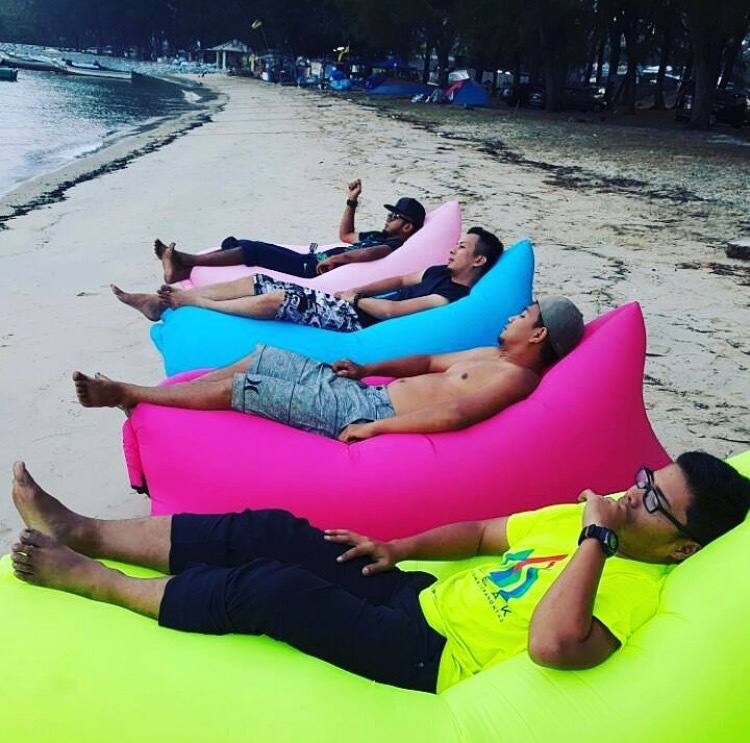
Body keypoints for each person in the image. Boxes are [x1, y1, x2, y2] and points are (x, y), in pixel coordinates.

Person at [9, 452, 750, 693]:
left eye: (655, 501)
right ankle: (88, 530)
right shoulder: (585, 519)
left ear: (682, 548)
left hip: (433, 657)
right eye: (645, 479)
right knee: (276, 530)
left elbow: (553, 644)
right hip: (417, 594)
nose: (632, 495)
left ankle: (98, 579)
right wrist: (396, 546)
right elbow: (485, 532)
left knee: (274, 587)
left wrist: (598, 535)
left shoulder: (642, 591)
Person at [73, 296, 584, 443]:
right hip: (364, 392)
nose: (513, 316)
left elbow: (457, 415)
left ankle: (129, 393)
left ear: (539, 335)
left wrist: (377, 428)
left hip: (365, 413)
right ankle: (160, 399)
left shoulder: (516, 377)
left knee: (246, 386)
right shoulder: (491, 357)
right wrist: (366, 367)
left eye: (524, 315)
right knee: (262, 356)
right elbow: (428, 362)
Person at [112, 228, 503, 332]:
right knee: (260, 279)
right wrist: (358, 288)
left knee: (278, 300)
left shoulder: (452, 294)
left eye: (463, 247)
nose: (453, 249)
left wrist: (354, 299)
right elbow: (398, 277)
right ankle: (159, 302)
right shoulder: (437, 272)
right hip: (352, 306)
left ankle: (189, 300)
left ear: (479, 260)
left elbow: (392, 311)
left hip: (360, 322)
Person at [155, 179, 426, 283]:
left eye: (394, 216)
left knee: (254, 250)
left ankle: (185, 261)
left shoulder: (394, 245)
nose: (388, 218)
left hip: (312, 269)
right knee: (240, 243)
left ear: (407, 226)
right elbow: (346, 236)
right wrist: (351, 200)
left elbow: (369, 254)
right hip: (311, 259)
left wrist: (337, 258)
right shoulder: (378, 236)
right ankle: (184, 270)